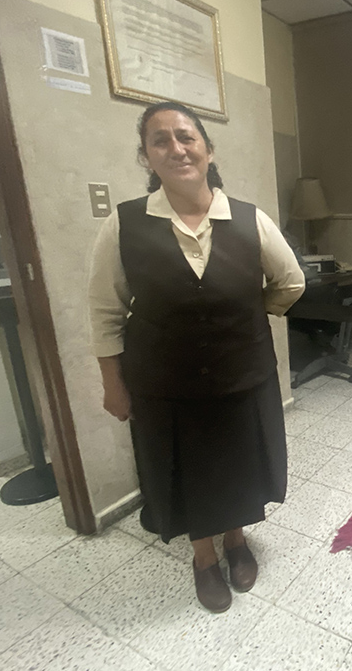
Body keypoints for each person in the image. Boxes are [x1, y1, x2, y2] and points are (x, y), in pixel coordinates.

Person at [88, 101, 305, 613]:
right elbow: (104, 311)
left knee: (236, 464)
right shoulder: (124, 225)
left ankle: (235, 541)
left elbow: (291, 281)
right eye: (160, 140)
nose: (176, 148)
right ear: (146, 157)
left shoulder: (250, 219)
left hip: (240, 375)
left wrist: (250, 310)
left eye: (186, 136)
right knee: (185, 469)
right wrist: (111, 383)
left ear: (208, 148)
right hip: (163, 378)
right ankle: (203, 557)